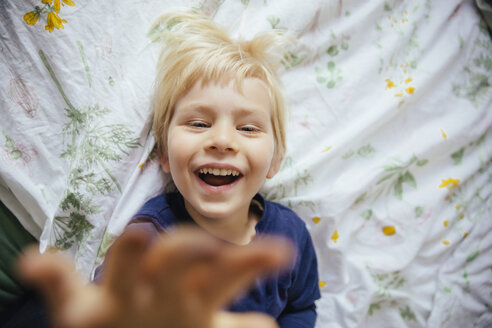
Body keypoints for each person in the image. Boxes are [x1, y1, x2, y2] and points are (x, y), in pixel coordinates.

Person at [18, 10, 320, 328]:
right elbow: (115, 306)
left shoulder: (292, 236)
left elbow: (300, 307)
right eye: (199, 123)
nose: (222, 140)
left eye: (247, 128)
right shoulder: (149, 239)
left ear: (276, 159)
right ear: (163, 154)